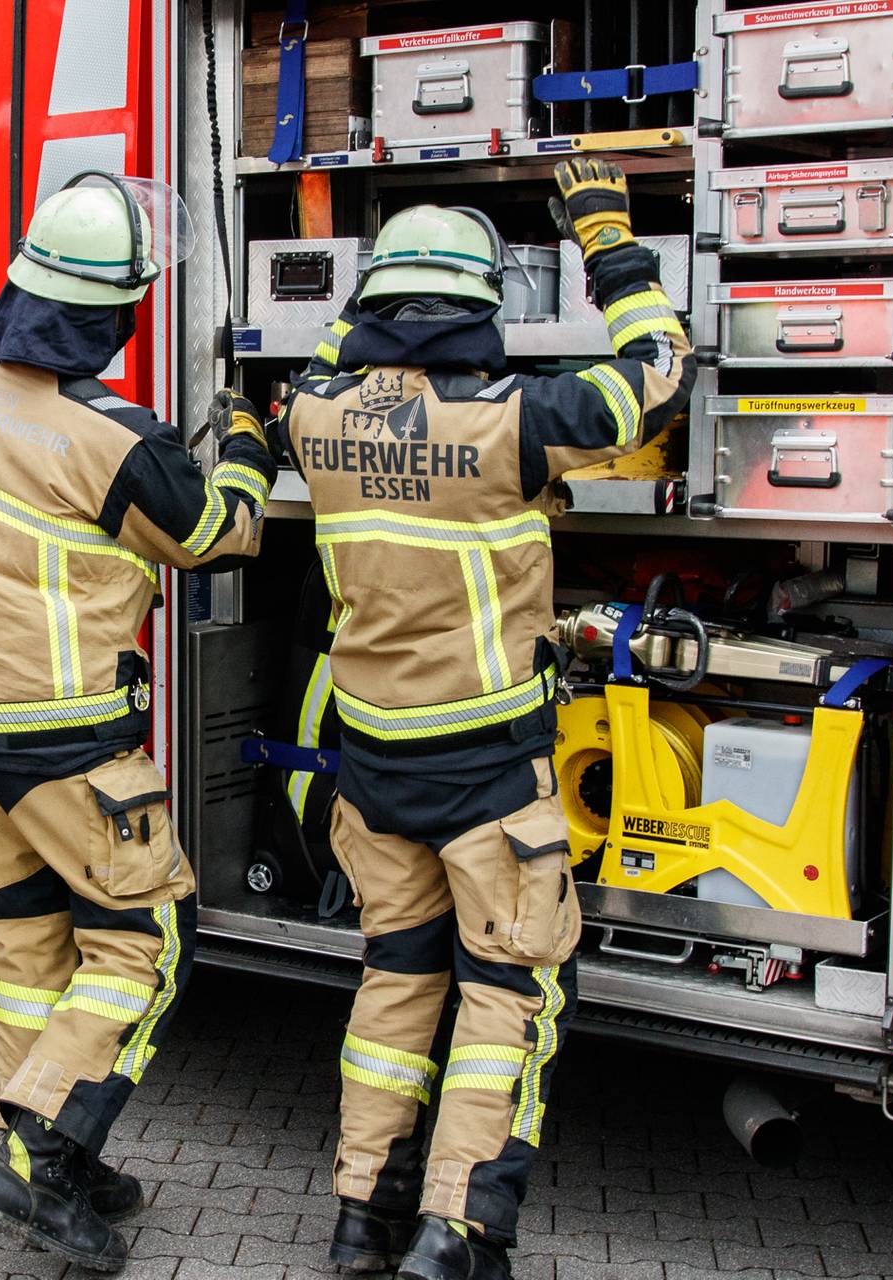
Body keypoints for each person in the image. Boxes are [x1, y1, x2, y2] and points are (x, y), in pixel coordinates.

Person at [272, 161, 688, 1280]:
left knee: (394, 981)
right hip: (490, 776)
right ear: (480, 307)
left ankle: (361, 1216)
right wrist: (610, 243)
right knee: (511, 988)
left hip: (373, 767)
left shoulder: (310, 415)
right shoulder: (521, 422)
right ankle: (459, 1232)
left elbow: (314, 371)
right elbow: (657, 371)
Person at [0, 172, 271, 1274]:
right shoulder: (117, 437)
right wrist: (240, 438)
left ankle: (39, 1142)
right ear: (113, 311)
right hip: (67, 749)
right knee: (147, 938)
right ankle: (42, 1157)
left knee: (22, 947)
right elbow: (219, 536)